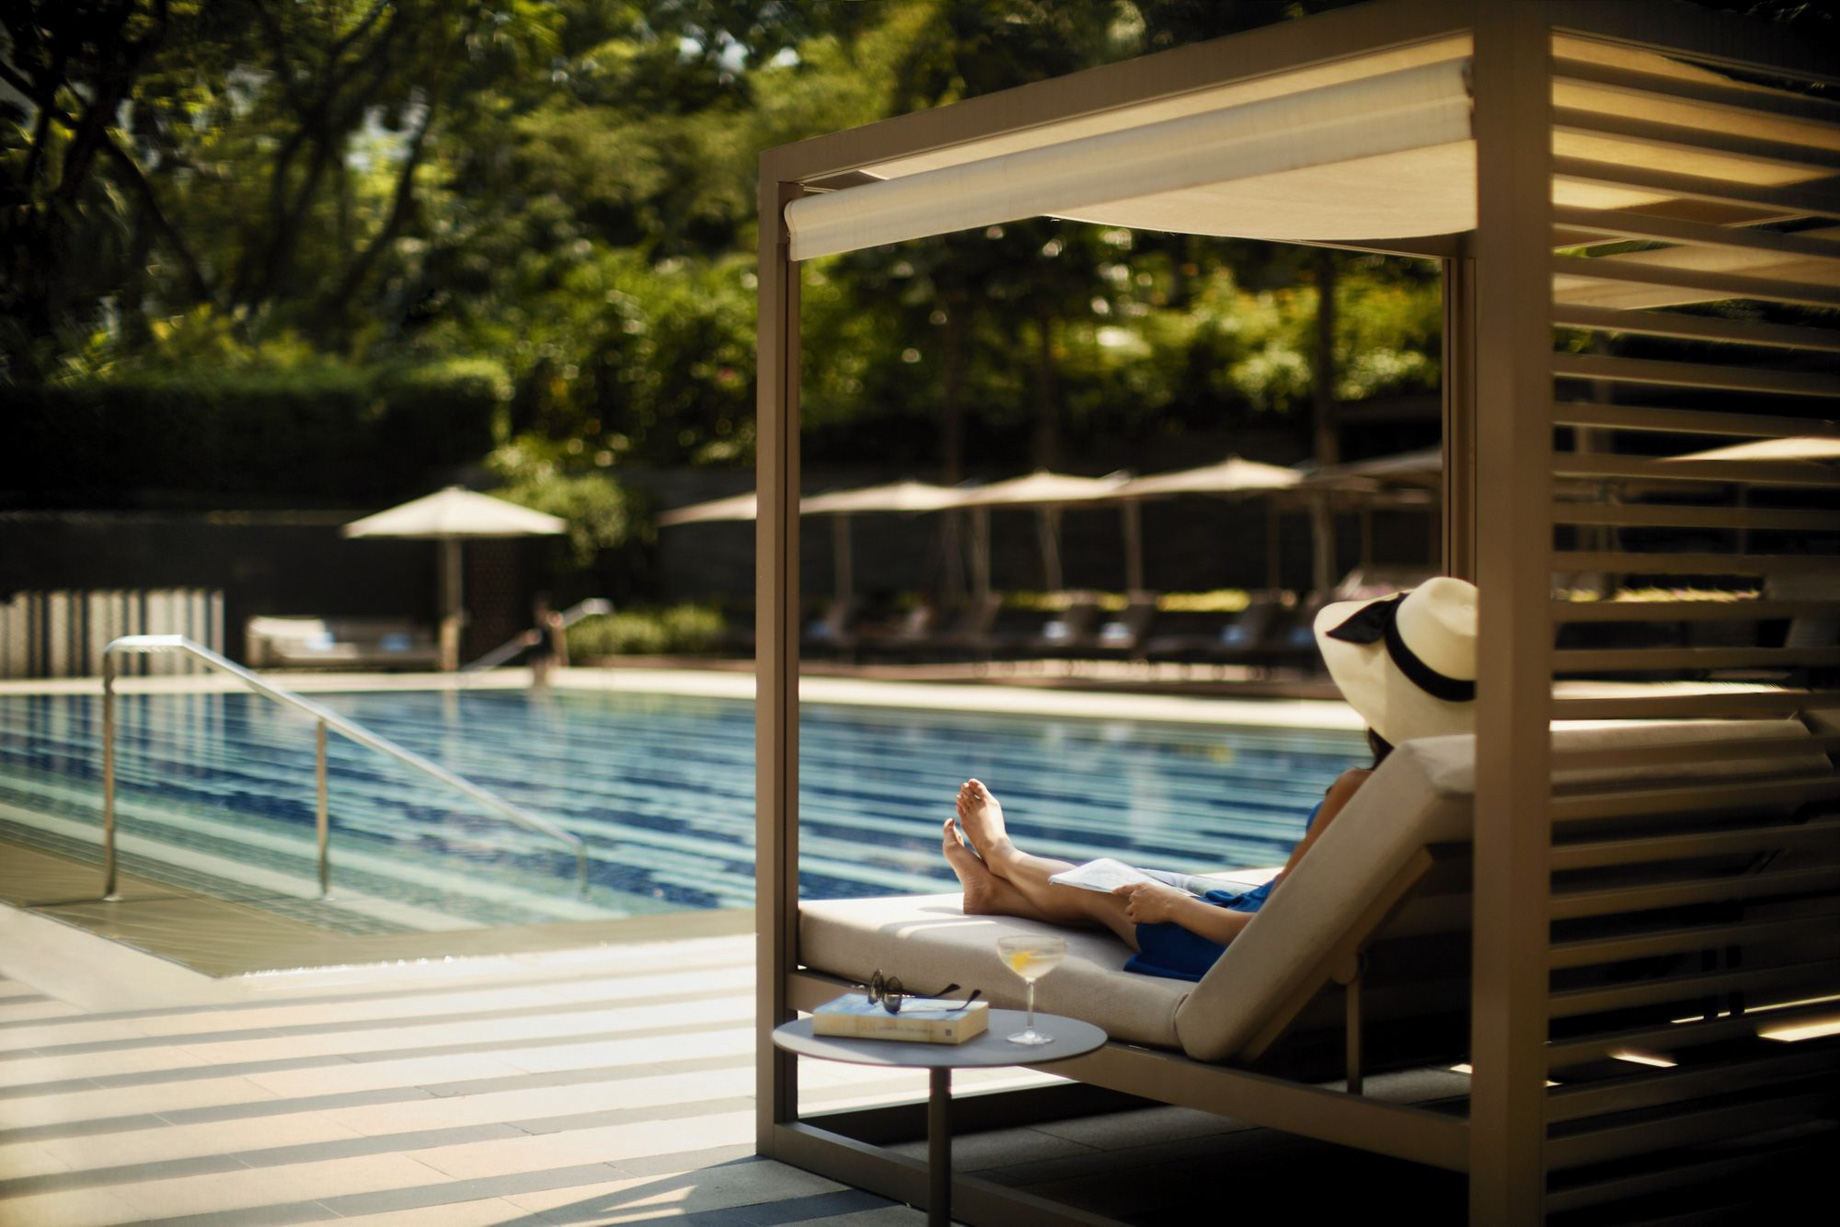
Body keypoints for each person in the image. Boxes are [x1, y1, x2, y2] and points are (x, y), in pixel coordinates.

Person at [941, 576, 1480, 981]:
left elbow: (1273, 933)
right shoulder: (1471, 785)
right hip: (1347, 953)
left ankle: (1004, 854)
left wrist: (1173, 906)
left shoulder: (1360, 789)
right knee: (1127, 879)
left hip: (1246, 954)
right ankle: (994, 893)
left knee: (1110, 891)